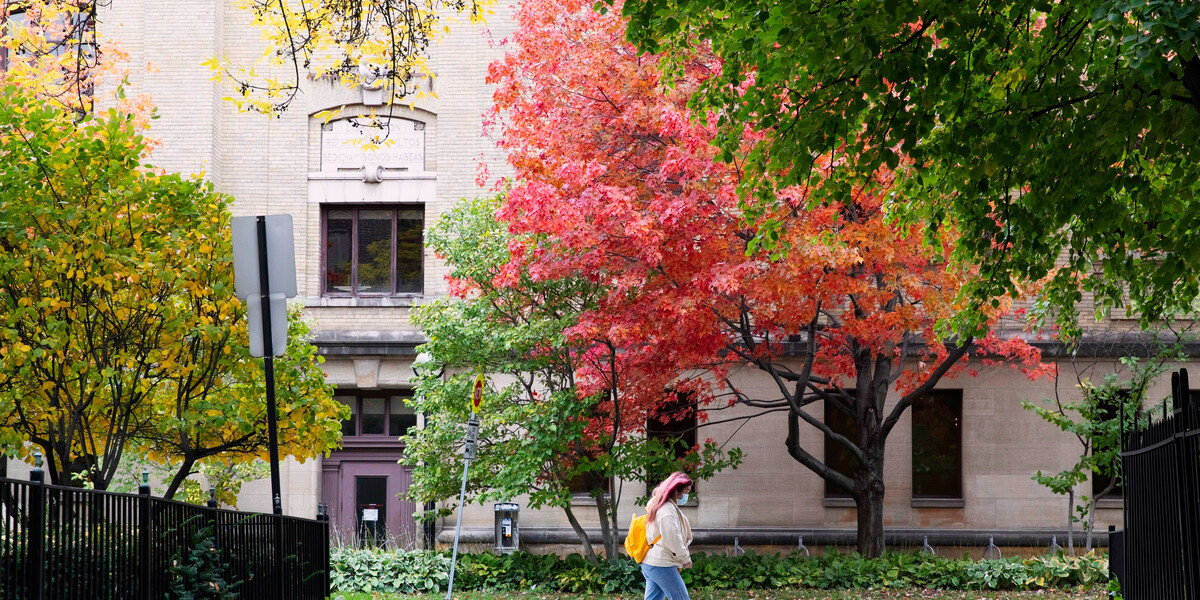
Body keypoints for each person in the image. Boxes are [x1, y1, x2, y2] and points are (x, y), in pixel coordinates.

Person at [642, 471, 693, 600]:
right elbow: (672, 540)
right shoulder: (667, 510)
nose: (687, 495)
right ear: (677, 490)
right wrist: (685, 559)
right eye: (686, 491)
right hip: (662, 564)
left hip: (651, 562)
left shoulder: (658, 505)